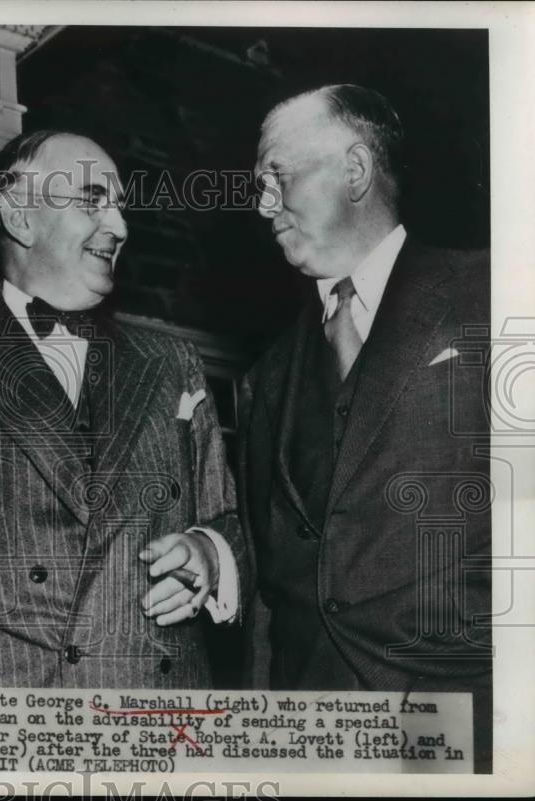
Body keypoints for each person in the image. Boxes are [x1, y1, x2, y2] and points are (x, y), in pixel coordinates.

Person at [0, 130, 249, 689]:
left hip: (157, 724)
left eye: (119, 206)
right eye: (93, 201)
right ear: (19, 217)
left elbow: (229, 521)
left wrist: (210, 557)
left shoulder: (172, 362)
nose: (120, 226)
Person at [242, 84, 492, 769]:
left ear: (354, 169)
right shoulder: (264, 377)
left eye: (275, 176)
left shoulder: (498, 292)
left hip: (467, 725)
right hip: (314, 744)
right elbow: (273, 590)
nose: (262, 202)